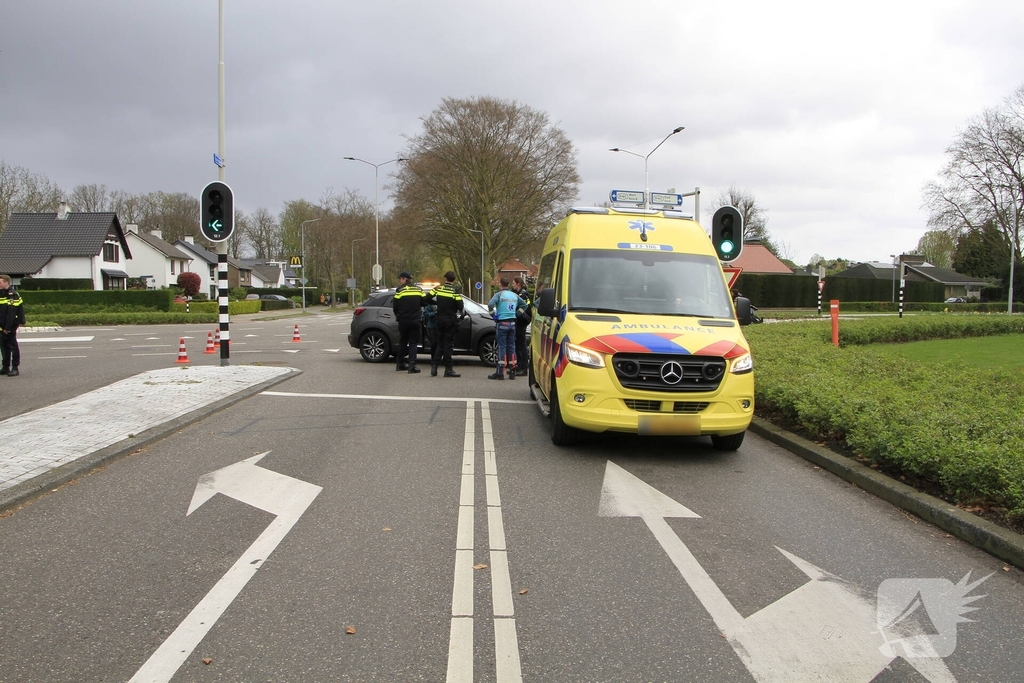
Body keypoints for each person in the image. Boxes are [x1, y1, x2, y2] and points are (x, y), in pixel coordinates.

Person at [487, 277, 526, 380]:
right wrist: (516, 314)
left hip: (502, 323)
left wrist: (493, 315)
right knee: (512, 346)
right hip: (512, 323)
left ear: (500, 284)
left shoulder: (499, 295)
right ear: (508, 285)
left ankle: (500, 372)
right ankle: (512, 370)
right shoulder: (514, 295)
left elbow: (490, 304)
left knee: (502, 347)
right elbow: (524, 305)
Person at [392, 271, 428, 373]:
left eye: (400, 279)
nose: (400, 281)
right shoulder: (418, 290)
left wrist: (399, 316)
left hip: (403, 321)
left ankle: (400, 364)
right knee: (413, 343)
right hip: (415, 320)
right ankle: (412, 365)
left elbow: (395, 306)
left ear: (405, 279)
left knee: (403, 342)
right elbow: (424, 302)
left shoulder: (400, 290)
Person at [430, 271, 464, 377]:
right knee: (448, 345)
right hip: (450, 320)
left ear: (445, 279)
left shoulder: (438, 289)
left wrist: (437, 304)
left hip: (440, 319)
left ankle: (434, 367)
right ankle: (448, 369)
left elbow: (426, 298)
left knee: (440, 343)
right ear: (453, 280)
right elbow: (460, 305)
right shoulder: (455, 291)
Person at [0, 274, 25, 377]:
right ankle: (5, 367)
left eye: (0, 282)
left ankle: (15, 368)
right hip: (2, 325)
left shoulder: (12, 295)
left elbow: (11, 313)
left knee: (12, 346)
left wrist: (7, 328)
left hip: (10, 325)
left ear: (6, 282)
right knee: (3, 346)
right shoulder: (2, 293)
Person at [510, 276, 532, 379]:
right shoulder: (520, 294)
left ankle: (523, 368)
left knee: (521, 344)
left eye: (514, 283)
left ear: (518, 283)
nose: (512, 285)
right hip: (521, 321)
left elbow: (522, 308)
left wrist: (516, 315)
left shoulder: (523, 295)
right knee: (518, 344)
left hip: (522, 321)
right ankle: (520, 366)